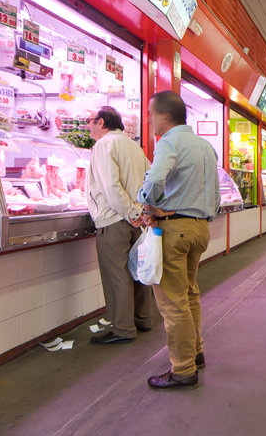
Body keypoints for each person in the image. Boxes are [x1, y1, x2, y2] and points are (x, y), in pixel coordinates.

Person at [137, 91, 220, 389]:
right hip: (199, 229)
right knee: (189, 294)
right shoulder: (206, 146)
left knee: (173, 303)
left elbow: (155, 179)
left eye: (150, 114)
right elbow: (216, 193)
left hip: (174, 229)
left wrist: (147, 206)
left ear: (164, 116)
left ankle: (183, 369)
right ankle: (195, 352)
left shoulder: (169, 142)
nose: (149, 121)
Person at [84, 106, 153, 345]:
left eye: (90, 121)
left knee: (117, 275)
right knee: (138, 271)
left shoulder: (104, 145)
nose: (88, 126)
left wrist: (130, 212)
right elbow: (149, 179)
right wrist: (139, 212)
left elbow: (110, 187)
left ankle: (122, 328)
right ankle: (143, 318)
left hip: (114, 219)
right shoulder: (134, 146)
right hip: (135, 220)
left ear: (101, 123)